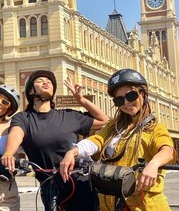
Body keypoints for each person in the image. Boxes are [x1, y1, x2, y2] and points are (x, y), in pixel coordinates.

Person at [60, 68, 175, 211]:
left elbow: (167, 149)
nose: (126, 103)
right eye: (119, 100)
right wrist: (73, 152)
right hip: (111, 202)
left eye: (131, 96)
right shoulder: (113, 126)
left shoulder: (154, 127)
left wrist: (154, 164)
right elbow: (97, 140)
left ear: (143, 94)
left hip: (145, 203)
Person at [1, 70, 109, 211]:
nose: (46, 82)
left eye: (50, 82)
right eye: (40, 81)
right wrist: (9, 153)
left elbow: (104, 120)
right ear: (31, 90)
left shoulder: (68, 115)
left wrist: (81, 100)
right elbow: (16, 134)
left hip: (79, 181)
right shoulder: (23, 118)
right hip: (49, 185)